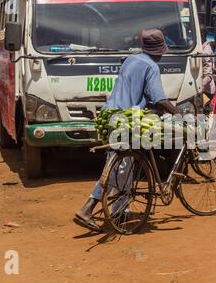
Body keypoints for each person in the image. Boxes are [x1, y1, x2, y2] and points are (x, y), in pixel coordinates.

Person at [75, 29, 181, 231]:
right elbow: (159, 98)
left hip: (113, 115)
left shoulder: (131, 60)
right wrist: (177, 112)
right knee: (119, 168)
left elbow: (136, 91)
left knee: (125, 165)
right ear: (158, 50)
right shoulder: (151, 66)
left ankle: (120, 209)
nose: (162, 55)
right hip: (127, 120)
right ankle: (88, 208)